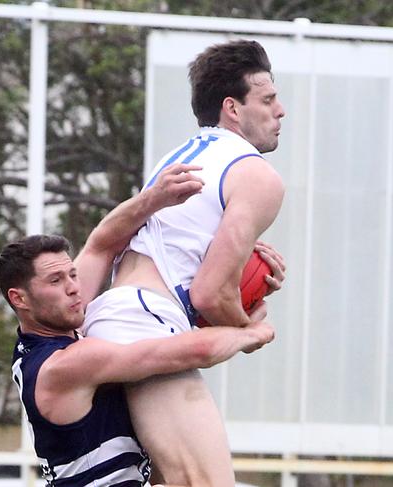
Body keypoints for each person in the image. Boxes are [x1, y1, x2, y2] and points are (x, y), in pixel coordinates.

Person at [0, 163, 279, 487]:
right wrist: (250, 333)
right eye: (56, 280)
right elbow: (187, 352)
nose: (74, 286)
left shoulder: (58, 320)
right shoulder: (64, 364)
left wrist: (154, 198)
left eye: (72, 274)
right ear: (20, 299)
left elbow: (101, 244)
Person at [82, 39, 286, 486]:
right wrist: (249, 327)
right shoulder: (257, 176)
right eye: (268, 99)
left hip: (111, 320)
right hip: (146, 323)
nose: (281, 110)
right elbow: (210, 294)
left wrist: (245, 287)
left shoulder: (178, 156)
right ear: (232, 108)